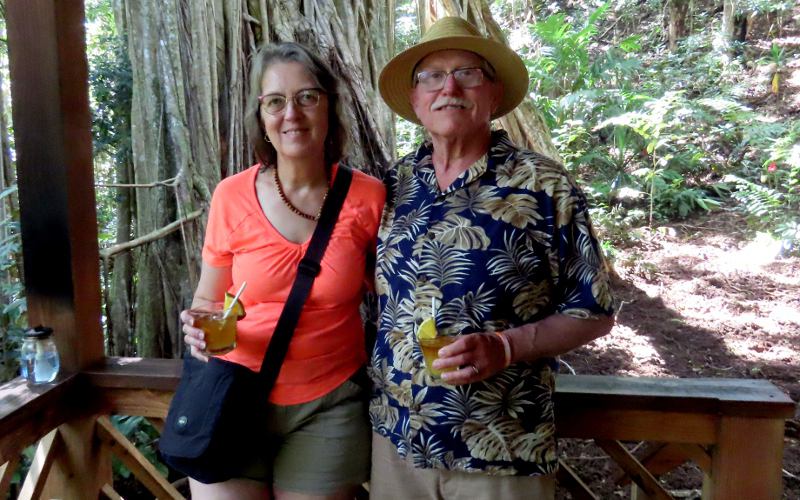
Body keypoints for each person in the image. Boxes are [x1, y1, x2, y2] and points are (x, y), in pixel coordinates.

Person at [369, 17, 615, 499]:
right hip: (397, 441)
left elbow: (594, 312)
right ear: (416, 100)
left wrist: (506, 346)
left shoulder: (544, 186)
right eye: (431, 76)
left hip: (502, 447)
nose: (450, 87)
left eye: (469, 73)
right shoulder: (391, 185)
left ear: (494, 94)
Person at [181, 42, 385, 500]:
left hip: (329, 404)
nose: (291, 113)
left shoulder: (368, 198)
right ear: (262, 117)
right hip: (233, 397)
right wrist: (197, 326)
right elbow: (208, 300)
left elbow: (395, 289)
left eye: (307, 97)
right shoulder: (230, 196)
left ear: (329, 105)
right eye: (275, 101)